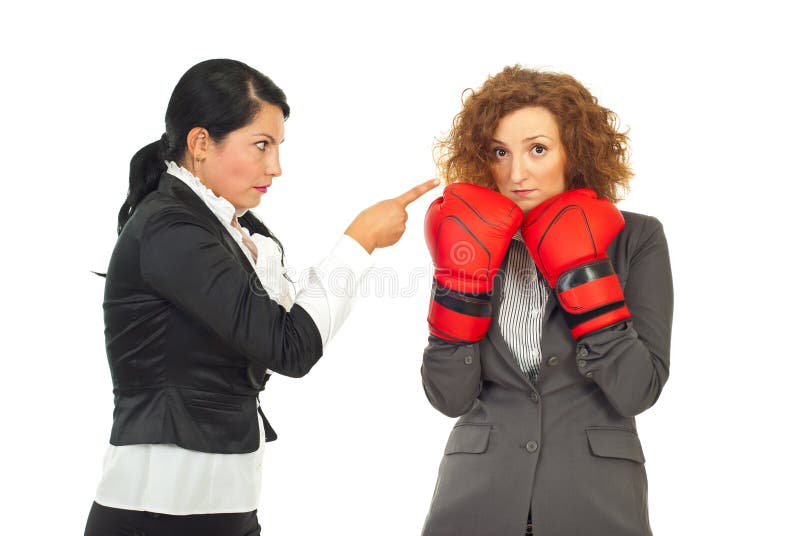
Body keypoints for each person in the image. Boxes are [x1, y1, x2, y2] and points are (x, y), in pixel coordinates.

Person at [83, 58, 437, 536]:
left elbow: (279, 319)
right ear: (201, 143)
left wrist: (358, 246)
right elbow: (288, 345)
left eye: (277, 147)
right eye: (261, 145)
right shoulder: (172, 229)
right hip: (162, 511)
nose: (276, 166)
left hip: (218, 505)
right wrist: (359, 242)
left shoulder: (216, 228)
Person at [420, 65, 672, 535]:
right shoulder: (468, 237)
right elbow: (449, 397)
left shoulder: (636, 237)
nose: (517, 173)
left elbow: (639, 389)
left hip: (595, 498)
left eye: (538, 149)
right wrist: (460, 287)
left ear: (574, 151)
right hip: (477, 496)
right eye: (499, 152)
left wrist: (584, 276)